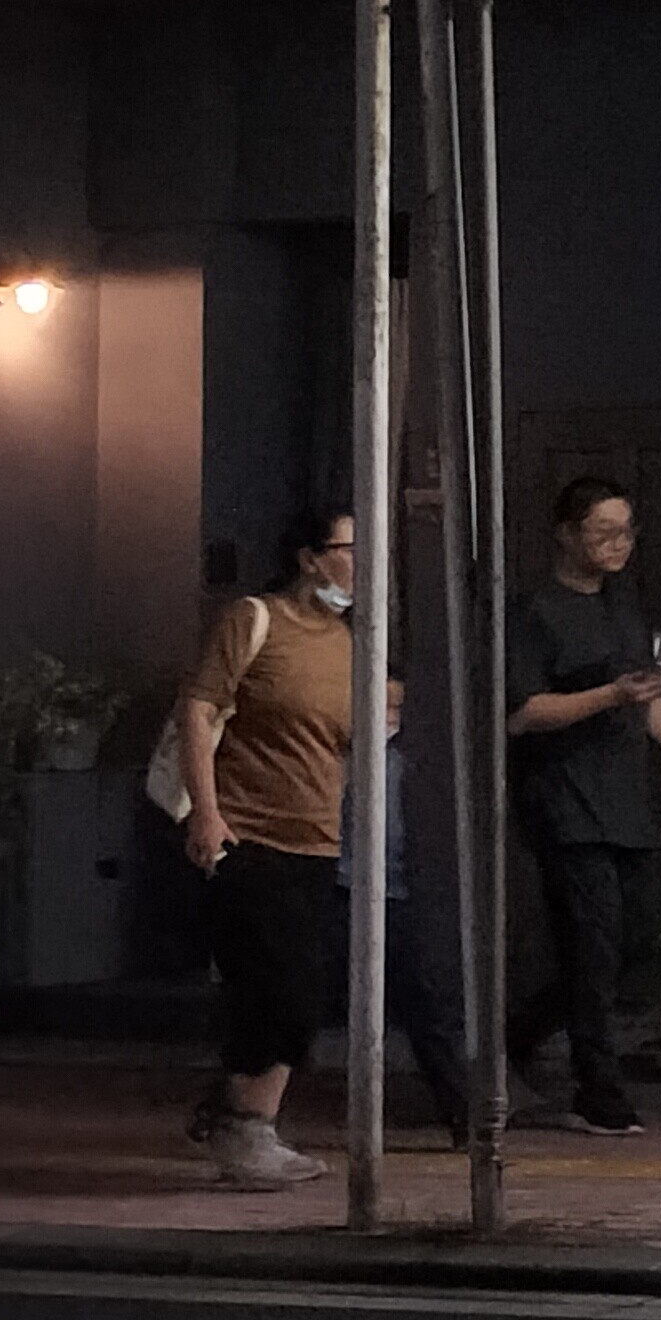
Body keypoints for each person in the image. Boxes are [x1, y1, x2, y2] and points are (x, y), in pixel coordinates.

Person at [504, 477, 661, 1135]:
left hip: (624, 799)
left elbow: (646, 696)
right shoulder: (535, 613)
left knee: (633, 939)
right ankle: (597, 1089)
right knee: (594, 945)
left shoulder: (623, 607)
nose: (618, 544)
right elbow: (523, 713)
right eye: (603, 531)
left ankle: (517, 1034)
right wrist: (609, 695)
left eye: (626, 531)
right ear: (566, 533)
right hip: (564, 800)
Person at [174, 507, 360, 1191]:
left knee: (305, 990)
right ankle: (246, 1125)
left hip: (320, 837)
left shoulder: (350, 641)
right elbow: (198, 711)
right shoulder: (253, 620)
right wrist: (207, 814)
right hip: (248, 832)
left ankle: (239, 1113)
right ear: (310, 558)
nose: (363, 563)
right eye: (351, 548)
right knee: (268, 983)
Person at [334, 676, 469, 1153]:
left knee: (426, 1008)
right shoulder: (337, 758)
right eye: (381, 705)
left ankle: (464, 1116)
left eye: (396, 708)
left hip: (399, 894)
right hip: (340, 887)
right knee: (298, 999)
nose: (388, 716)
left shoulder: (413, 763)